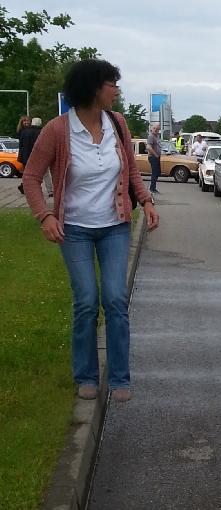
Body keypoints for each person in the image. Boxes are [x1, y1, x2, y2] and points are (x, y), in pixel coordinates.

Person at [22, 58, 159, 402]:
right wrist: (44, 216)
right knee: (86, 301)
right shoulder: (57, 130)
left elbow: (130, 170)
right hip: (76, 230)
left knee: (114, 298)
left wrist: (147, 201)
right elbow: (31, 177)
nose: (117, 90)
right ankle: (85, 375)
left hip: (115, 226)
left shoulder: (118, 124)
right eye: (112, 84)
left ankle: (119, 379)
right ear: (94, 87)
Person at [16, 117, 41, 194]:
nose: (26, 122)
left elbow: (21, 145)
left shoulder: (24, 132)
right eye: (24, 121)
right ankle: (27, 187)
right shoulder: (38, 131)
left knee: (28, 173)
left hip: (26, 156)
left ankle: (24, 186)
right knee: (32, 174)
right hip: (30, 156)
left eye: (28, 121)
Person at [147, 123, 162, 193]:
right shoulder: (151, 136)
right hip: (153, 157)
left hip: (157, 156)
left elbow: (159, 145)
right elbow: (148, 147)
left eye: (157, 129)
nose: (156, 130)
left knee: (158, 172)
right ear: (152, 129)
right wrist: (155, 154)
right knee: (155, 172)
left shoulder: (157, 136)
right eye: (154, 128)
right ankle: (152, 188)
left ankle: (152, 187)